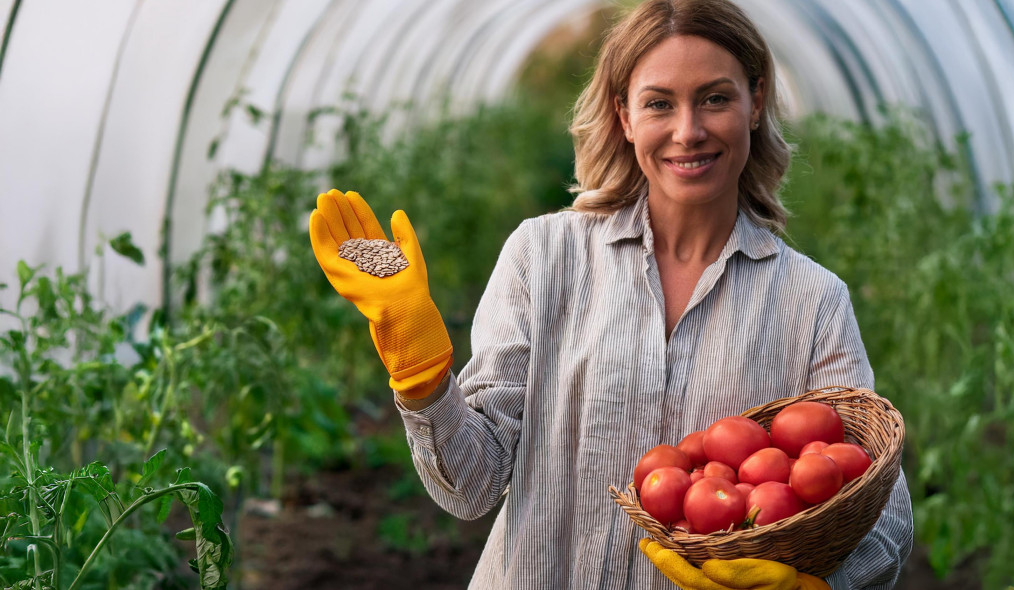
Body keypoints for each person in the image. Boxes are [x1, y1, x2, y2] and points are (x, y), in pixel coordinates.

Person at [308, 0, 913, 588]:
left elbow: (884, 510)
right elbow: (471, 486)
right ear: (624, 116)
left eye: (715, 98)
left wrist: (824, 583)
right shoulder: (543, 257)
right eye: (659, 104)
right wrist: (422, 376)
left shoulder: (813, 301)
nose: (688, 131)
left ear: (755, 102)